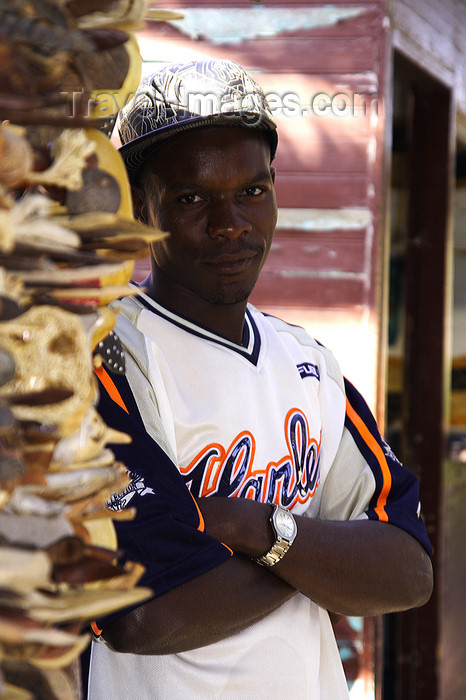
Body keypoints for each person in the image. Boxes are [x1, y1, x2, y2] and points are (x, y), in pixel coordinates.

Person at [87, 59, 433, 700]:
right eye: (191, 198)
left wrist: (259, 530)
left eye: (252, 191)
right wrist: (322, 563)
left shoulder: (304, 360)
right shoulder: (109, 352)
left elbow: (409, 570)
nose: (229, 224)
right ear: (141, 206)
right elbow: (143, 612)